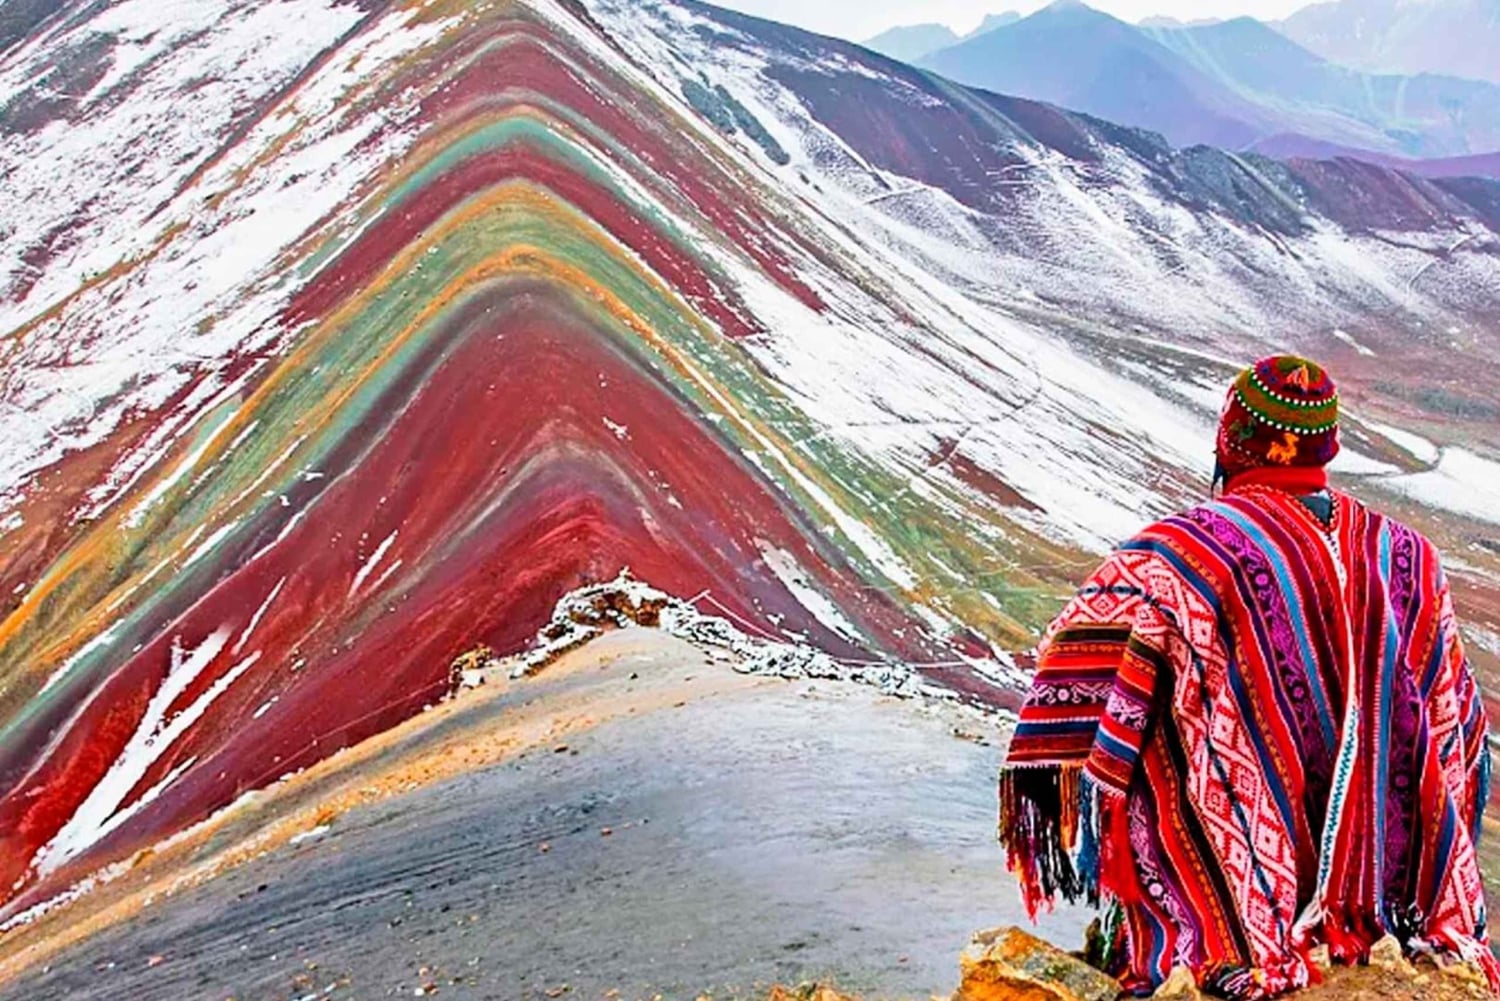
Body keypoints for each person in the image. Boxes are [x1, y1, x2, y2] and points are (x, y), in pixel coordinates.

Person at [997, 355, 1496, 998]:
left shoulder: (1180, 555)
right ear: (1327, 444)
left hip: (1237, 901)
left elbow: (1081, 676)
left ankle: (1234, 911)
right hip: (1385, 897)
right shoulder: (1409, 556)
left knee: (1168, 726)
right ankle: (1360, 905)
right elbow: (1449, 719)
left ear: (1232, 440)